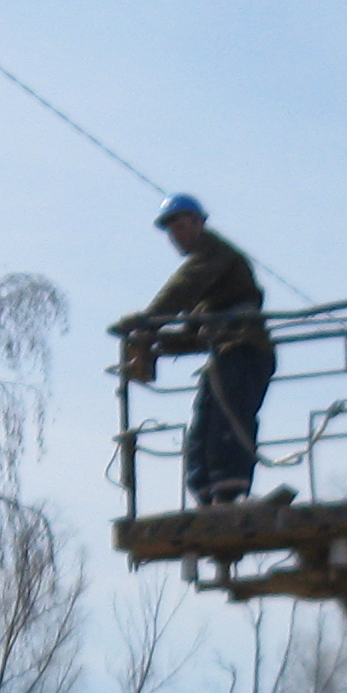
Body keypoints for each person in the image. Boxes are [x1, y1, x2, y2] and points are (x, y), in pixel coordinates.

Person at [123, 194, 279, 506]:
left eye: (182, 226)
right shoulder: (208, 278)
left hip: (246, 350)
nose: (177, 236)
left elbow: (184, 285)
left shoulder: (214, 254)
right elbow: (195, 330)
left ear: (199, 223)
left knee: (228, 420)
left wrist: (149, 320)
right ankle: (206, 493)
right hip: (224, 352)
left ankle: (228, 493)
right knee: (204, 425)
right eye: (172, 231)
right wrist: (160, 342)